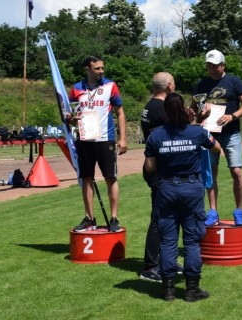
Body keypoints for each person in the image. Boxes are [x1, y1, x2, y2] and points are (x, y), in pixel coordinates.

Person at [144, 93, 221, 302]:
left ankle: (168, 288)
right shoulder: (197, 132)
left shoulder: (156, 136)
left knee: (168, 240)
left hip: (167, 187)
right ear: (185, 109)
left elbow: (150, 167)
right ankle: (191, 289)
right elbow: (217, 147)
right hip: (191, 188)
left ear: (166, 111)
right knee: (192, 240)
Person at [192, 49, 242, 227]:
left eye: (214, 66)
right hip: (209, 135)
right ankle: (213, 211)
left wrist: (232, 116)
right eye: (208, 66)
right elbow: (194, 108)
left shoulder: (234, 81)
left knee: (237, 172)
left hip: (231, 133)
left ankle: (239, 211)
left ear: (222, 65)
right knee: (210, 173)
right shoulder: (202, 84)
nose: (211, 69)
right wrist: (195, 114)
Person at [68, 56, 127, 233]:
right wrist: (71, 119)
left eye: (102, 68)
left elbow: (120, 113)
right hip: (85, 139)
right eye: (97, 69)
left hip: (105, 138)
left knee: (111, 177)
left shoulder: (110, 86)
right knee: (86, 178)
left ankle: (114, 218)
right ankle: (89, 218)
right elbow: (71, 115)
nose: (101, 71)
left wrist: (122, 138)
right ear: (87, 69)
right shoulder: (76, 89)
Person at [139, 72, 177, 282]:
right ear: (169, 85)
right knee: (159, 218)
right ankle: (150, 266)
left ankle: (165, 260)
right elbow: (178, 133)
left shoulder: (150, 105)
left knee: (166, 217)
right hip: (160, 168)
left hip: (155, 165)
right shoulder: (161, 109)